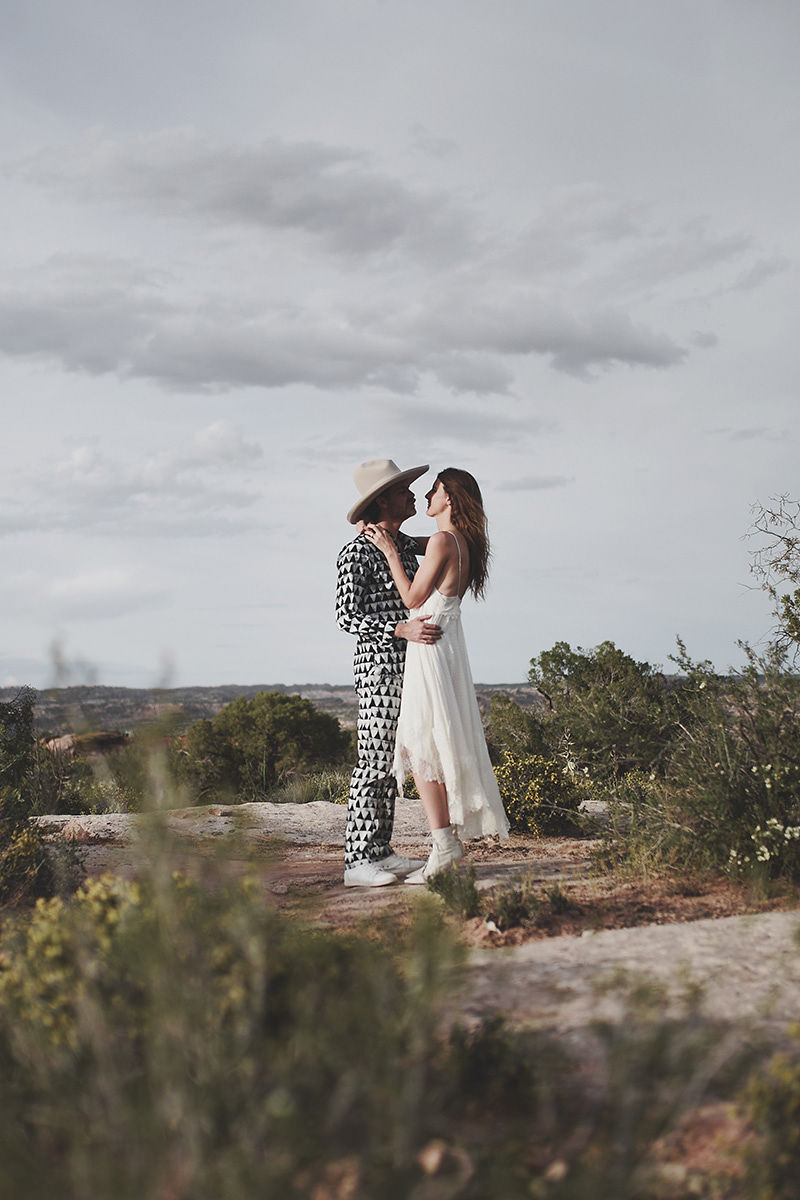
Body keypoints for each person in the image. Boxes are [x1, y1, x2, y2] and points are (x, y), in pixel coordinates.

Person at [363, 468, 509, 883]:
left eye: (435, 489)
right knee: (433, 740)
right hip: (447, 646)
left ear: (450, 498)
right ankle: (445, 844)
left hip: (428, 646)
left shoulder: (444, 541)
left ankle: (445, 845)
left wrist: (390, 555)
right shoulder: (461, 543)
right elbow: (414, 545)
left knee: (421, 743)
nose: (426, 494)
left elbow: (412, 597)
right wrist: (385, 534)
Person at [336, 459, 443, 888]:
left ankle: (379, 850)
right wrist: (398, 628)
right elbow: (346, 615)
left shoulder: (399, 545)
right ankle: (357, 861)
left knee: (396, 761)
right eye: (403, 490)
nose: (412, 495)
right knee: (373, 763)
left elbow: (445, 540)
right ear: (383, 500)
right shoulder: (356, 552)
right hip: (380, 673)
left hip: (412, 668)